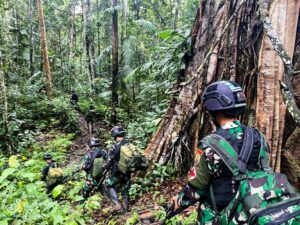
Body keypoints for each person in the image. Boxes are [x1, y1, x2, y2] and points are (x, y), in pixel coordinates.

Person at [171, 81, 272, 224]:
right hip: (255, 210)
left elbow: (198, 188)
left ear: (212, 108)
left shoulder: (209, 144)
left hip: (224, 215)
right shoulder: (258, 136)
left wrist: (180, 200)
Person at [105, 126, 133, 213]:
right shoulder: (130, 145)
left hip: (117, 171)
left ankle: (116, 204)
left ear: (115, 136)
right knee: (125, 189)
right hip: (127, 171)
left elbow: (109, 161)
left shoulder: (114, 147)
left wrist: (106, 168)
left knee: (109, 185)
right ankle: (125, 210)